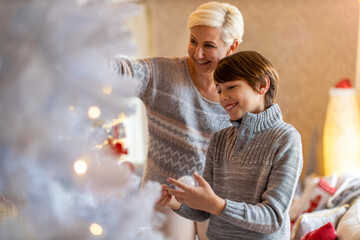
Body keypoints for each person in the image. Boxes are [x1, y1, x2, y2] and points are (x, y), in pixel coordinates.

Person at [110, 2, 244, 240]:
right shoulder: (161, 74)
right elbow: (121, 71)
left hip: (215, 201)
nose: (197, 53)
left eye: (209, 45)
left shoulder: (241, 95)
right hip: (165, 198)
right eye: (193, 41)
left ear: (231, 46)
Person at [157, 51, 303, 239]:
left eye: (231, 87)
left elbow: (273, 218)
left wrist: (218, 205)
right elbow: (206, 211)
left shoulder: (286, 139)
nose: (223, 97)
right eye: (219, 90)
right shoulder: (220, 140)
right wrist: (175, 202)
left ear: (262, 85)